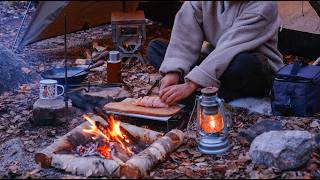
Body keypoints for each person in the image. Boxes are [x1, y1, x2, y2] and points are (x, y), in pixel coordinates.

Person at [146, 1, 284, 105]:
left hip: (254, 68)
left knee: (242, 65)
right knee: (156, 48)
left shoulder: (264, 5)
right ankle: (210, 91)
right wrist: (173, 71)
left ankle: (202, 94)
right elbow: (185, 33)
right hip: (215, 62)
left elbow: (230, 46)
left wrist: (191, 84)